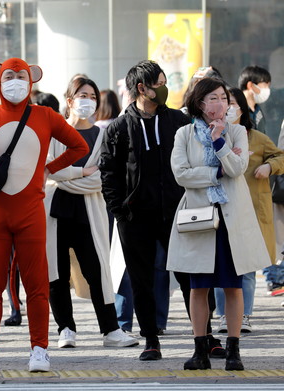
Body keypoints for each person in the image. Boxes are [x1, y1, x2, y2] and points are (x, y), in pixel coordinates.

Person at [0, 58, 88, 373]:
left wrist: (48, 168)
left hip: (31, 211)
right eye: (9, 76)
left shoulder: (45, 115)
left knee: (37, 285)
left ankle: (40, 349)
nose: (15, 82)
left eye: (20, 76)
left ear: (30, 81)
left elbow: (79, 146)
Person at [167, 77, 270, 370]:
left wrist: (219, 142)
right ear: (200, 103)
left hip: (231, 218)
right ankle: (200, 349)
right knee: (199, 287)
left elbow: (237, 168)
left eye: (223, 97)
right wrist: (215, 173)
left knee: (232, 286)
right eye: (213, 98)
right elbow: (181, 174)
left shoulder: (237, 132)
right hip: (199, 218)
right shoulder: (184, 135)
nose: (221, 103)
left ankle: (234, 350)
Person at [99, 60, 191, 361]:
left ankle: (204, 336)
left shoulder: (177, 121)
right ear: (142, 88)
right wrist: (120, 212)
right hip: (134, 218)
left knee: (190, 275)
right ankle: (151, 339)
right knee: (141, 280)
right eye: (160, 82)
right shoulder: (119, 128)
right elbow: (108, 173)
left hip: (175, 213)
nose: (165, 87)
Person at [45, 76, 138, 349]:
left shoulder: (102, 135)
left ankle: (110, 330)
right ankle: (66, 328)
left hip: (89, 211)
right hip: (55, 210)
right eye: (82, 95)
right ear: (70, 100)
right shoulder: (54, 133)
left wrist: (68, 176)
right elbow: (48, 170)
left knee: (97, 270)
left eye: (92, 96)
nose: (87, 101)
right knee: (56, 272)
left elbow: (104, 177)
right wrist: (80, 172)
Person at [213, 87, 284, 333]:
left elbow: (280, 157)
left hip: (252, 212)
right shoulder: (211, 136)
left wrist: (268, 166)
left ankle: (243, 316)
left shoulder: (257, 138)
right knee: (221, 266)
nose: (227, 107)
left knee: (248, 268)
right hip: (222, 210)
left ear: (243, 109)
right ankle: (224, 315)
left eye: (232, 103)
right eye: (223, 102)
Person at [238, 65, 271, 135]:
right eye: (265, 85)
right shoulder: (237, 109)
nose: (267, 89)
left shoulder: (258, 110)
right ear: (250, 85)